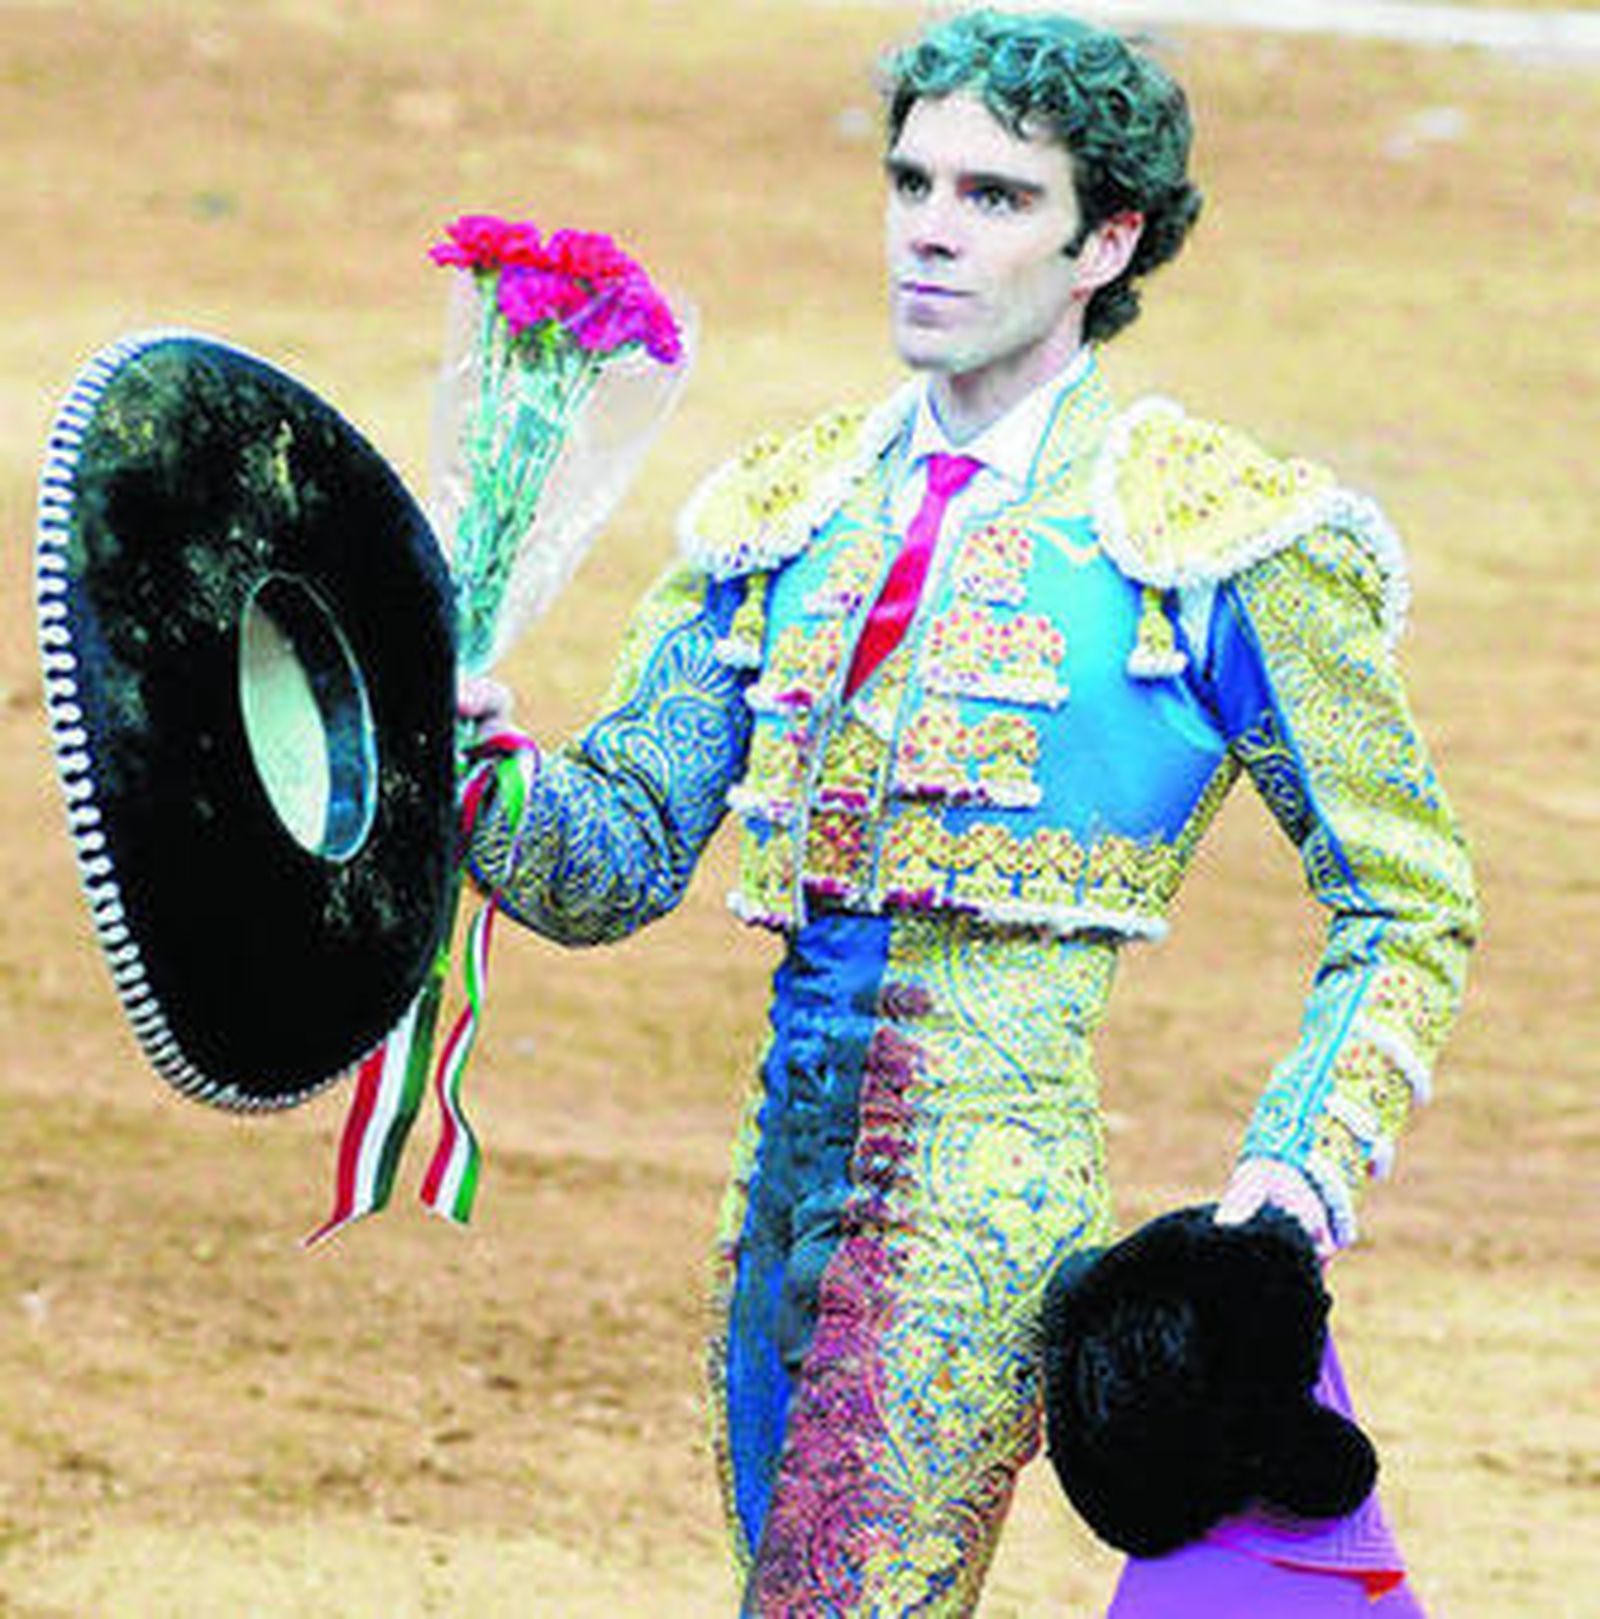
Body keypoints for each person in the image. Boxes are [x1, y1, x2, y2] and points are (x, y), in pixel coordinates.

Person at [459, 9, 1478, 1614]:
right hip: (773, 1186)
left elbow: (1405, 898)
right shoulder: (788, 508)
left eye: (996, 196)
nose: (932, 226)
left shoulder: (1206, 535)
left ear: (1108, 239)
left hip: (978, 1203)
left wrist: (1294, 1183)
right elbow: (616, 858)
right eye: (913, 180)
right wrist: (475, 770)